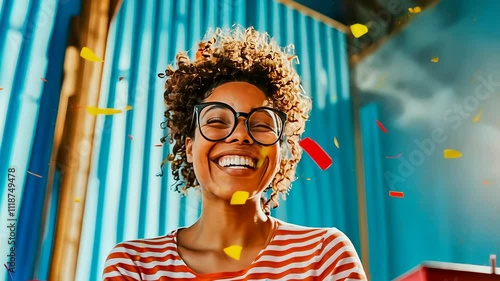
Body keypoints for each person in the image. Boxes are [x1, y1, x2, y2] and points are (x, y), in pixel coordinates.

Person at [103, 26, 367, 281]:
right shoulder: (136, 265)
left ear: (279, 151)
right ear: (191, 148)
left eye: (262, 124)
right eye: (217, 121)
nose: (240, 135)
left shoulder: (323, 255)